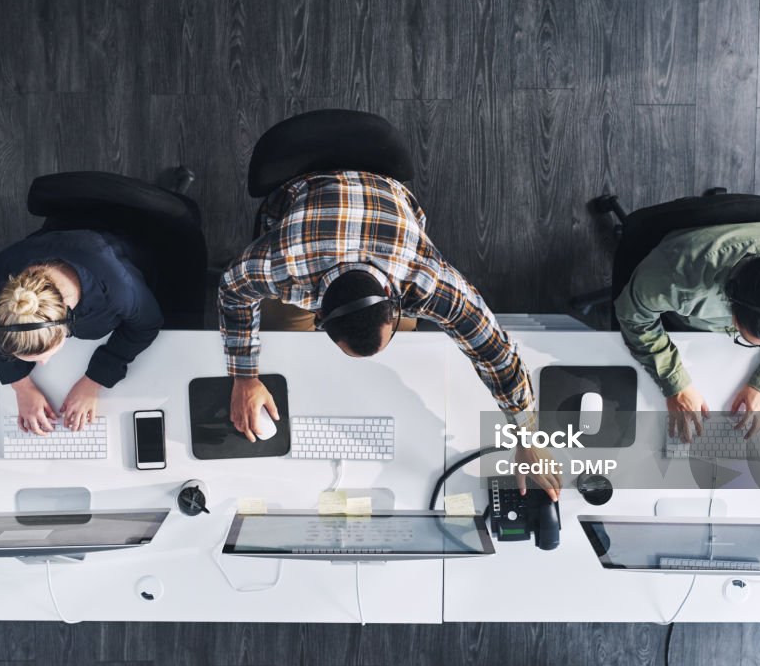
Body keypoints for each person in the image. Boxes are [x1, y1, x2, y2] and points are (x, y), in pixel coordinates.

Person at [217, 170, 558, 498]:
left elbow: (494, 352)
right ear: (318, 314)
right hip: (305, 198)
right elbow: (232, 289)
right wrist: (245, 377)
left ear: (396, 308)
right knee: (283, 345)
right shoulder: (283, 265)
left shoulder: (424, 279)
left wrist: (529, 439)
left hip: (387, 222)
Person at [615, 221, 760, 439]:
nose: (758, 349)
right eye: (747, 339)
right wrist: (675, 384)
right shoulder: (677, 279)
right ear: (732, 315)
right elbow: (633, 317)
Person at [0, 230, 163, 435]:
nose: (43, 363)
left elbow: (146, 324)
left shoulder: (118, 291)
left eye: (46, 354)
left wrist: (95, 379)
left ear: (67, 324)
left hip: (132, 241)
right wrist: (21, 386)